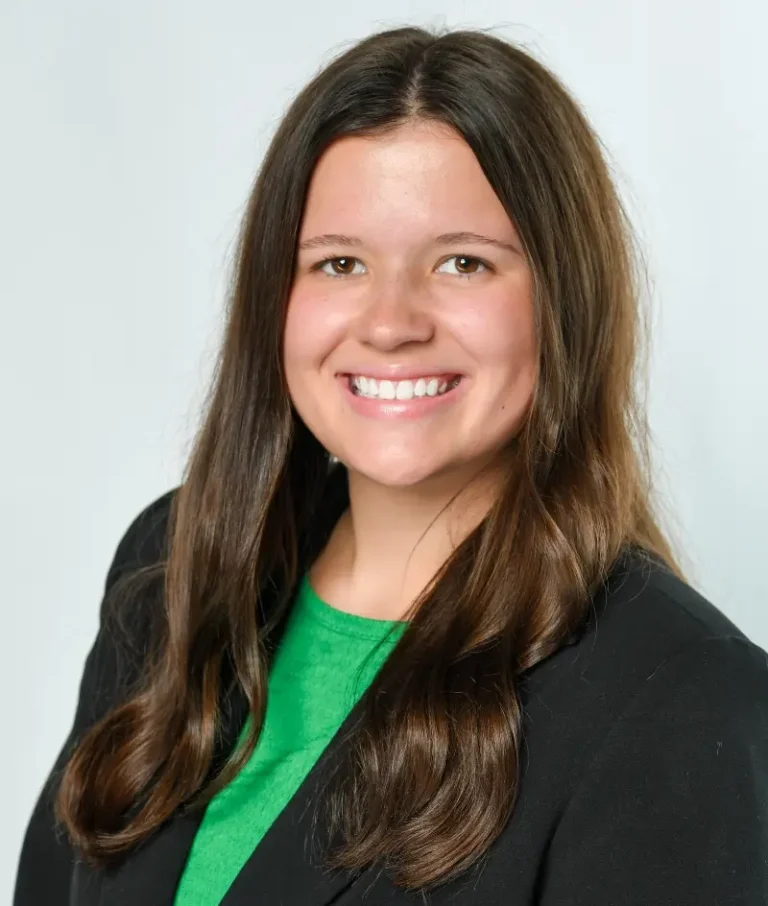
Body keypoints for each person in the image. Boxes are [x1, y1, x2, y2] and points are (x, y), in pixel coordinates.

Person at [13, 23, 768, 906]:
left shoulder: (680, 704)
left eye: (461, 263)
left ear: (565, 299)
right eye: (339, 263)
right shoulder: (176, 564)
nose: (390, 320)